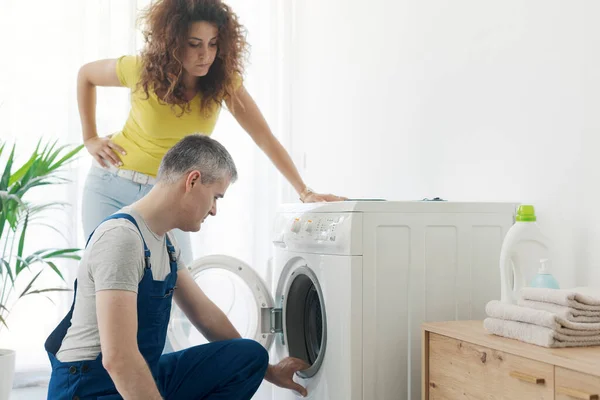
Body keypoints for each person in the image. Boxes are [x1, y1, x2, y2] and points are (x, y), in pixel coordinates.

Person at [79, 0, 345, 265]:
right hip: (110, 186)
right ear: (172, 42)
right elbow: (86, 75)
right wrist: (90, 138)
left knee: (178, 289)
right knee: (105, 281)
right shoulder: (139, 70)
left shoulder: (223, 84)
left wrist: (304, 190)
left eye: (213, 43)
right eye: (194, 44)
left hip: (167, 196)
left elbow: (264, 137)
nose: (205, 54)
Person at [45, 134, 310, 399]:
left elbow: (204, 315)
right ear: (192, 180)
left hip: (140, 370)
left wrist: (270, 371)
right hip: (89, 386)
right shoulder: (122, 238)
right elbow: (118, 358)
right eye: (216, 197)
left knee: (249, 356)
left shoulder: (166, 241)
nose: (215, 210)